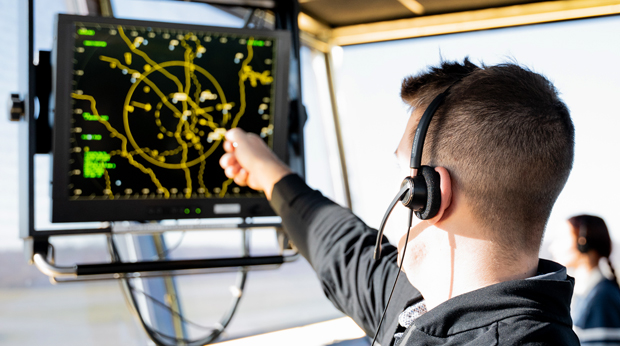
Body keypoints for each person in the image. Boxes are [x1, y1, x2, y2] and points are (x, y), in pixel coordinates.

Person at [220, 59, 580, 345]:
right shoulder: (423, 308)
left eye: (401, 169)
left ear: (428, 192)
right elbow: (342, 250)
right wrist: (266, 172)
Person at [551, 215, 620, 345]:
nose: (553, 247)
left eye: (561, 238)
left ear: (582, 242)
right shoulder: (587, 292)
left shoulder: (602, 298)